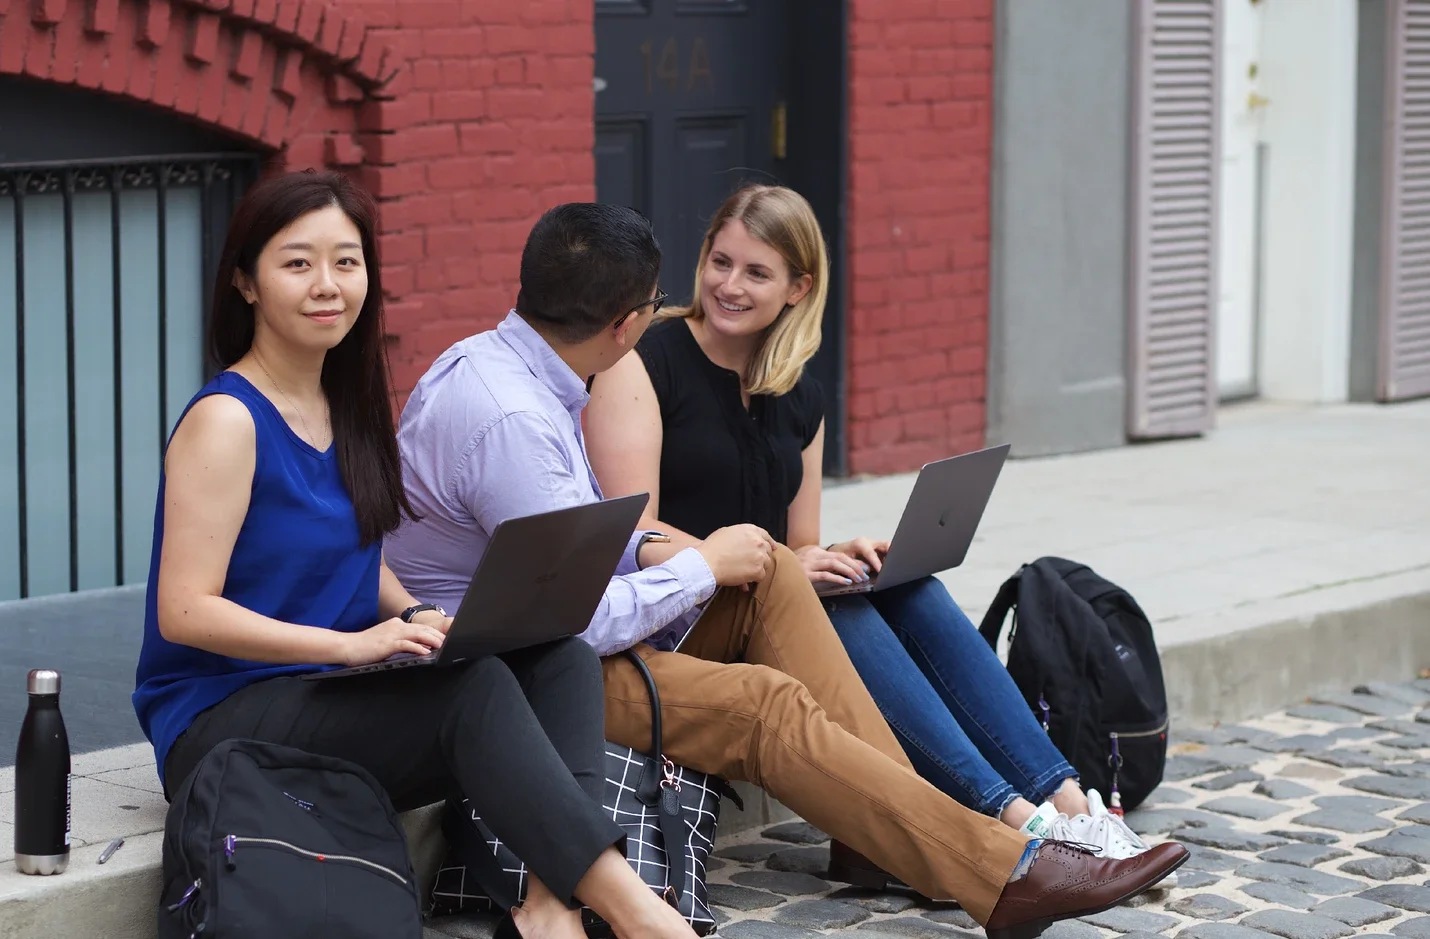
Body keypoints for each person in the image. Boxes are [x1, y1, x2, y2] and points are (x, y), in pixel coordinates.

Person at [384, 202, 1187, 939]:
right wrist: (700, 567)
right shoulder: (515, 417)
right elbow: (578, 620)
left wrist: (678, 552)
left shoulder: (508, 365)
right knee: (767, 702)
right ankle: (994, 871)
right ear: (629, 325)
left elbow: (574, 538)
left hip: (554, 634)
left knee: (771, 566)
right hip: (525, 670)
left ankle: (896, 834)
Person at [132, 171, 700, 939]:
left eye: (346, 261)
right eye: (297, 263)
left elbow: (348, 558)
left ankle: (548, 905)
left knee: (558, 651)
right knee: (473, 691)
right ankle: (637, 914)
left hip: (327, 692)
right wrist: (353, 644)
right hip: (222, 719)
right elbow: (185, 609)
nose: (327, 285)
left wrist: (411, 612)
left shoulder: (345, 404)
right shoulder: (229, 419)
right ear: (245, 282)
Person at [580, 184, 1157, 869]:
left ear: (799, 288)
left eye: (756, 272)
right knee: (847, 618)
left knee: (903, 587)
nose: (729, 285)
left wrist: (831, 557)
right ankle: (1006, 816)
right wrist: (774, 565)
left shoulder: (800, 393)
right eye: (720, 261)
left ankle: (1066, 802)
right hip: (681, 621)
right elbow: (633, 536)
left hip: (771, 608)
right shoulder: (646, 363)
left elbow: (797, 545)